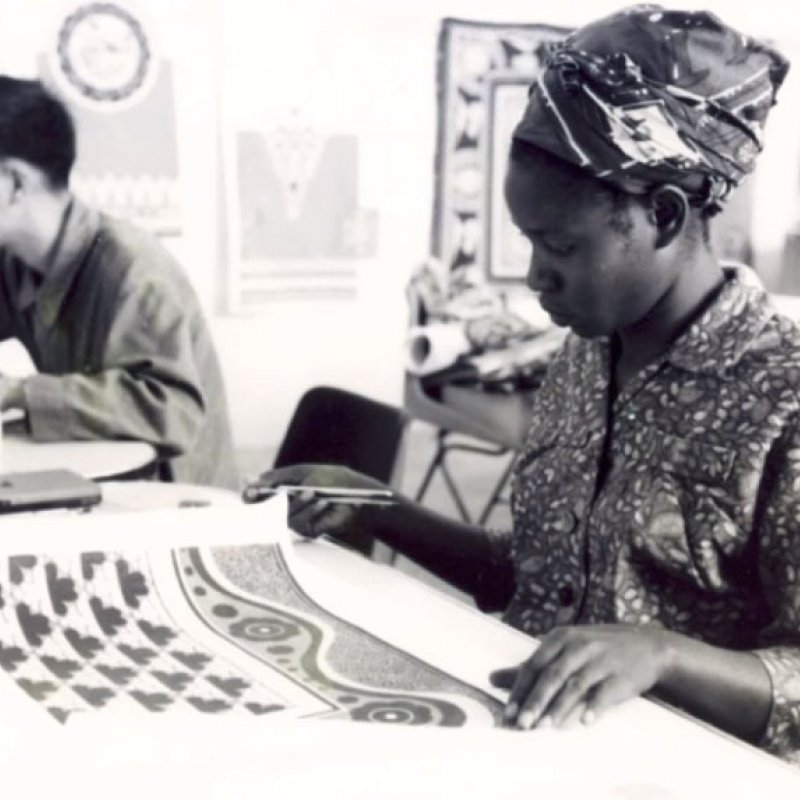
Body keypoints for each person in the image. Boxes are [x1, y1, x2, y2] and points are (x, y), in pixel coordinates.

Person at [253, 5, 800, 764]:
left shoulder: (782, 398)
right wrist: (372, 502)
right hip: (528, 752)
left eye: (560, 245)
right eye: (527, 239)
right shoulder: (582, 358)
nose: (534, 275)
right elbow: (532, 575)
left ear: (665, 216)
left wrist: (661, 655)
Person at [0, 76, 238, 489]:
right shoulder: (15, 261)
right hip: (98, 481)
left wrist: (20, 393)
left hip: (174, 502)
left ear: (15, 184)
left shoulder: (133, 268)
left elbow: (174, 411)